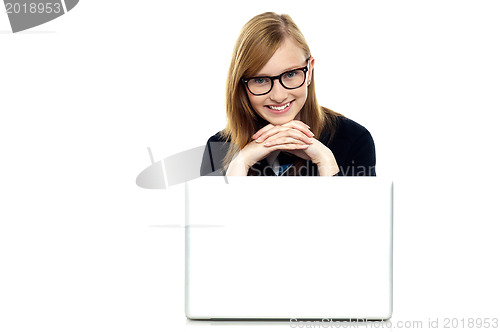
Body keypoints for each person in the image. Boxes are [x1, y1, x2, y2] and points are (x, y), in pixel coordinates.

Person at [201, 12, 376, 177]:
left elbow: (357, 210)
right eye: (260, 80)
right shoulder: (216, 149)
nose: (278, 95)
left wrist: (326, 161)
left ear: (309, 72)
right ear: (241, 84)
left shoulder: (354, 139)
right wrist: (240, 164)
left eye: (290, 74)